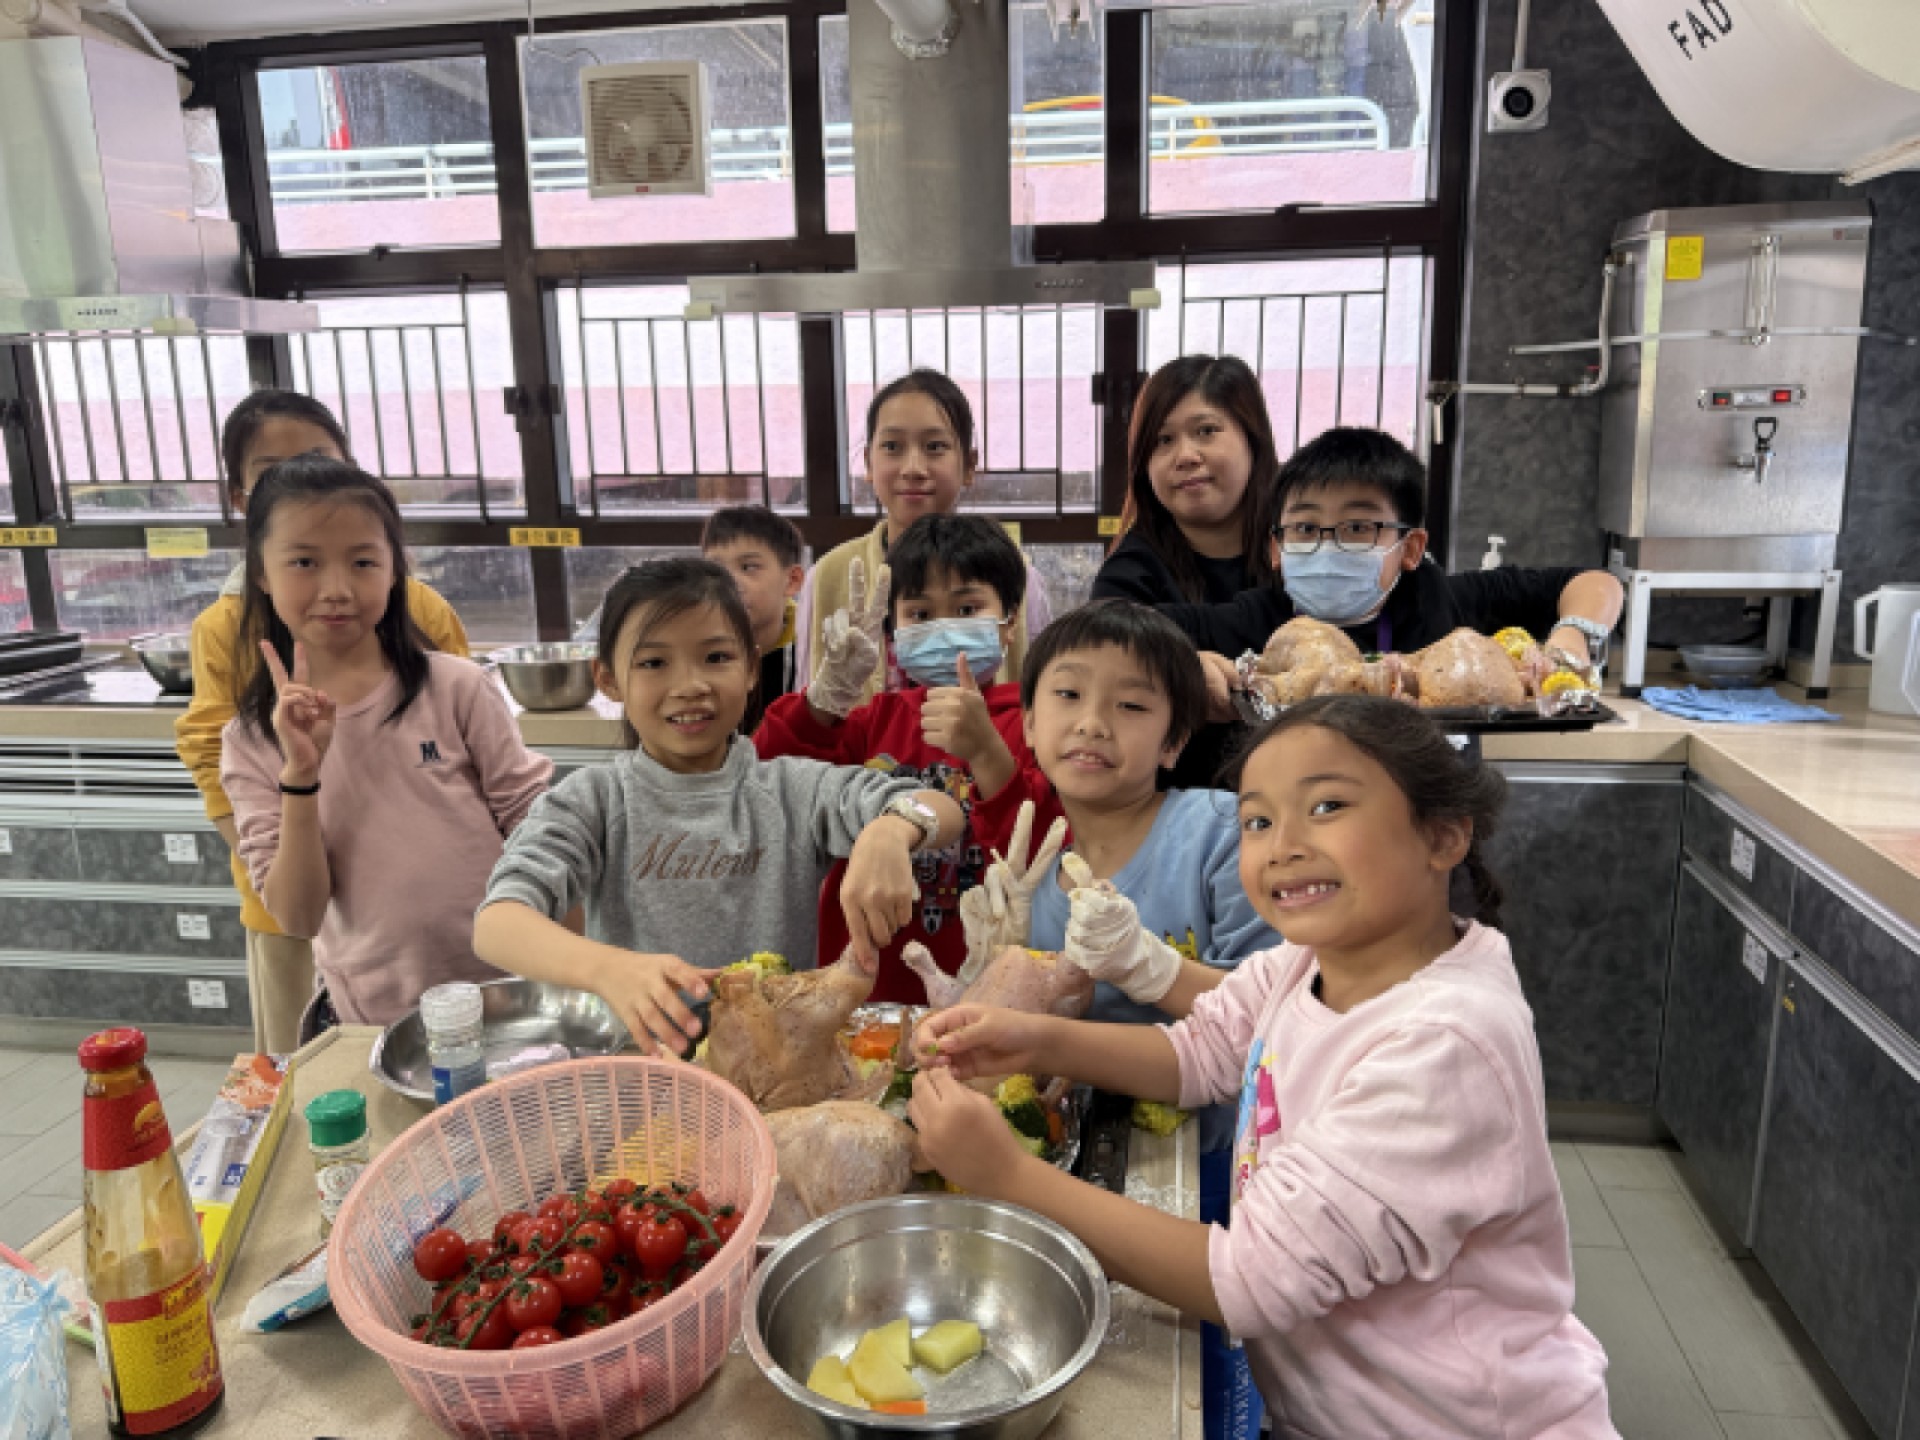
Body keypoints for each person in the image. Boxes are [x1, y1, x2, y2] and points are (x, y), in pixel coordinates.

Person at [909, 696, 1617, 1438]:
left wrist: (1008, 1176)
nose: (1283, 846)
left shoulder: (1444, 1044)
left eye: (1327, 806)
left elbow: (1251, 1279)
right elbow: (1202, 1052)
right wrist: (1036, 1040)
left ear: (1442, 836)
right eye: (1257, 821)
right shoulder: (1309, 962)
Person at [475, 557, 967, 1056]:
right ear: (608, 679)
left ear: (751, 667)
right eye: (653, 663)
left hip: (780, 1072)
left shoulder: (792, 790)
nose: (690, 685)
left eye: (715, 657)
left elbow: (943, 808)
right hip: (647, 1073)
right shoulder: (594, 801)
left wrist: (894, 827)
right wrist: (610, 969)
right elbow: (498, 923)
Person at [174, 390, 471, 1053]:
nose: (296, 479)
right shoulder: (226, 627)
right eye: (268, 471)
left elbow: (477, 756)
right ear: (239, 497)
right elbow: (212, 753)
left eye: (316, 459)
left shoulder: (418, 608)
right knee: (312, 1065)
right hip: (296, 903)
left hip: (437, 923)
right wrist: (279, 865)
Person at [220, 457, 551, 1030]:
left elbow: (540, 835)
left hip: (509, 993)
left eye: (363, 562)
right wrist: (301, 777)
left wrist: (568, 971)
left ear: (396, 569)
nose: (337, 589)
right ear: (261, 573)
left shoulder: (457, 688)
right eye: (304, 562)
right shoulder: (253, 739)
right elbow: (298, 917)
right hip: (378, 1018)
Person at [755, 514, 1055, 1003]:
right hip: (867, 988)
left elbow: (1043, 847)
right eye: (920, 614)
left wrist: (986, 752)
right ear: (892, 630)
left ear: (1010, 622)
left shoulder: (1038, 723)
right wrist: (824, 702)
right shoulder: (874, 720)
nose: (944, 628)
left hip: (992, 993)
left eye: (967, 608)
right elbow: (772, 780)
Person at [1153, 427, 1624, 712]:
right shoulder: (1254, 621)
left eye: (1358, 527)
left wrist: (1572, 638)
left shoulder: (1443, 604)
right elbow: (1126, 629)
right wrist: (1193, 666)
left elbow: (1593, 582)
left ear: (1410, 548)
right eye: (1306, 528)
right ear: (1276, 549)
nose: (1328, 545)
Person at [793, 369, 1053, 702]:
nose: (913, 468)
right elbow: (805, 700)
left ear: (969, 464)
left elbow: (1043, 698)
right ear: (869, 463)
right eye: (892, 446)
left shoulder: (1020, 577)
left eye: (935, 446)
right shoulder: (828, 577)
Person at [1093, 354, 1281, 608]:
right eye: (1164, 440)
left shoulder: (1307, 551)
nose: (1185, 456)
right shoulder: (1125, 582)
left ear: (1253, 439)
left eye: (1206, 431)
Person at [701, 505, 808, 728]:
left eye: (748, 567)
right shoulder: (690, 647)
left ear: (792, 581)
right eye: (715, 569)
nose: (729, 581)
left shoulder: (812, 654)